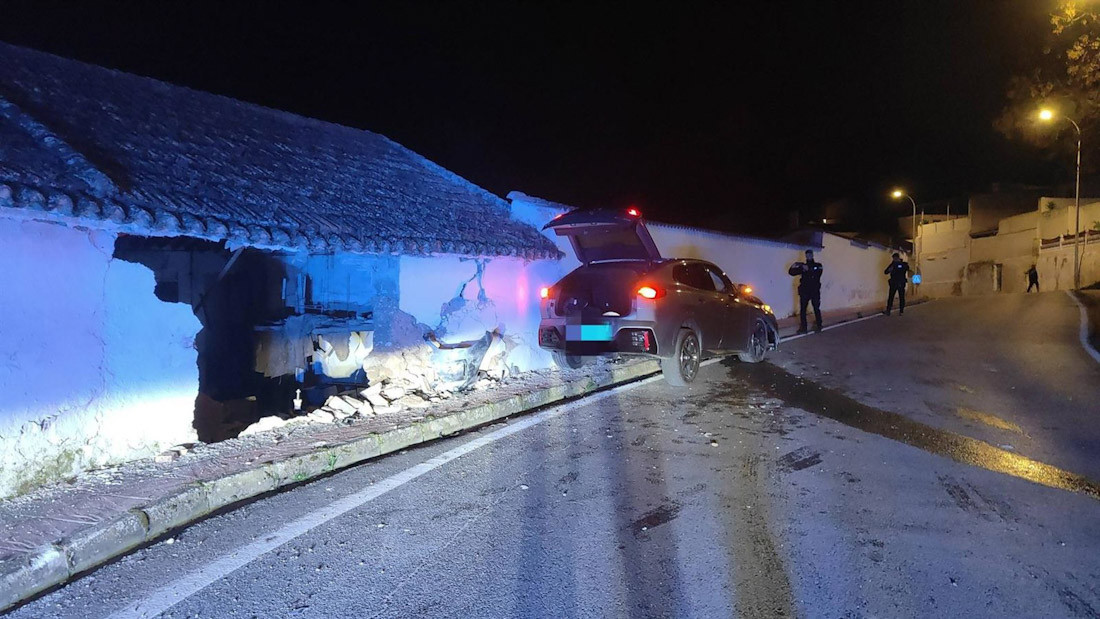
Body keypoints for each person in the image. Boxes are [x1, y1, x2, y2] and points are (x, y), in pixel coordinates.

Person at [788, 249, 823, 333]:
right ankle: (803, 328)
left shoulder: (818, 265)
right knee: (803, 310)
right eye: (807, 255)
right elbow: (792, 273)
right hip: (805, 291)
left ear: (812, 255)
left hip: (814, 291)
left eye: (810, 255)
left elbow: (818, 272)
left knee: (816, 308)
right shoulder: (803, 266)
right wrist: (793, 266)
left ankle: (819, 325)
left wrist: (808, 268)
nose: (808, 257)